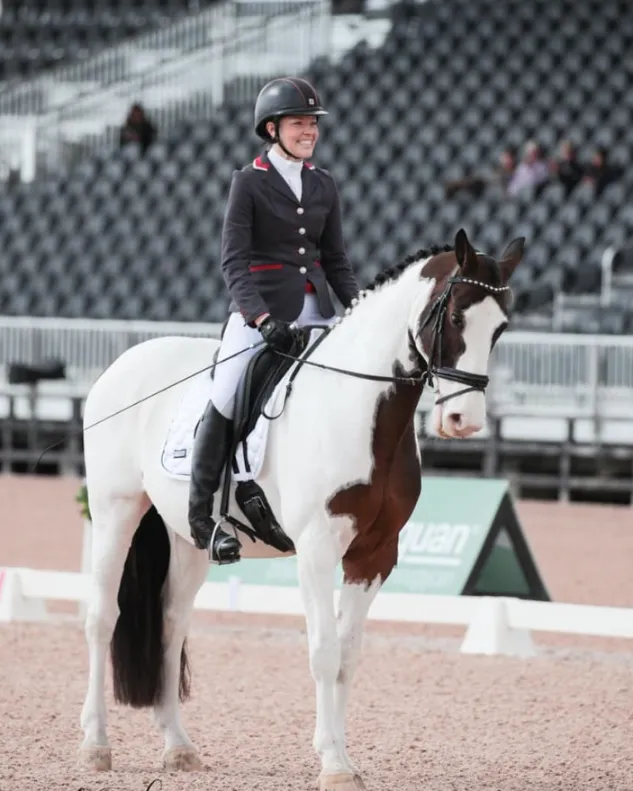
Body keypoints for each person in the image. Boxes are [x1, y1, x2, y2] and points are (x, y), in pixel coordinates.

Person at [188, 75, 361, 564]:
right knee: (226, 393)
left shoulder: (324, 183)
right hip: (261, 312)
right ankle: (205, 517)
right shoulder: (249, 181)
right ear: (272, 128)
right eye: (300, 123)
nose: (310, 131)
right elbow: (233, 261)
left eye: (313, 124)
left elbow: (336, 260)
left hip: (317, 312)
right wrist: (260, 318)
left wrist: (360, 306)